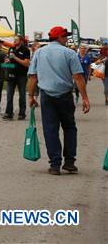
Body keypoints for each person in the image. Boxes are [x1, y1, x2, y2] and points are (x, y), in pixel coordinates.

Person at [27, 26, 90, 175]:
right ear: (60, 37)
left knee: (50, 129)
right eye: (65, 36)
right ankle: (69, 162)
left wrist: (31, 96)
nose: (67, 39)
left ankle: (55, 164)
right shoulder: (70, 53)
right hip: (65, 96)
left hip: (47, 96)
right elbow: (77, 77)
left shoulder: (39, 52)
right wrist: (85, 98)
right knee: (69, 127)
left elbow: (33, 77)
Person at [2, 36, 31, 120]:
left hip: (21, 75)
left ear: (21, 41)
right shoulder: (11, 49)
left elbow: (26, 63)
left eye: (16, 40)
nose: (14, 41)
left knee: (22, 95)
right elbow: (9, 60)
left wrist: (15, 57)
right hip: (11, 75)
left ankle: (22, 113)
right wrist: (6, 62)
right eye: (14, 40)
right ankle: (9, 113)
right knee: (9, 94)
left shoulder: (25, 50)